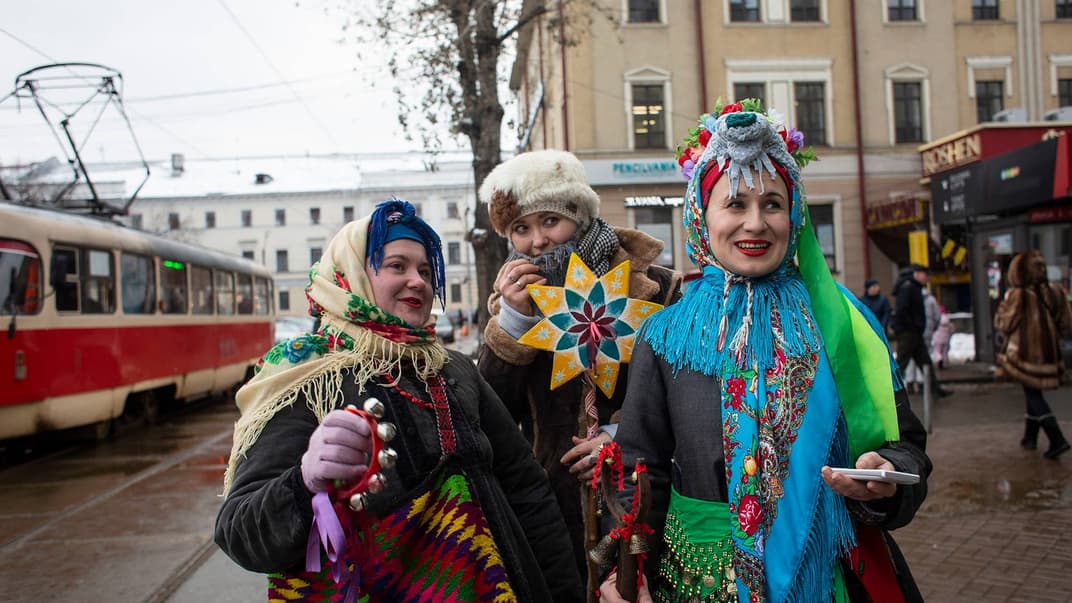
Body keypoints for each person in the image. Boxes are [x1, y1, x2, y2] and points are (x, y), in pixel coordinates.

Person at [598, 100, 931, 602]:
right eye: (734, 204)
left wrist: (887, 476)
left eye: (772, 204)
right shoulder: (663, 335)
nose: (755, 223)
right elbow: (639, 469)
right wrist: (630, 570)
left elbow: (907, 449)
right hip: (700, 582)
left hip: (827, 578)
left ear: (794, 215)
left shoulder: (842, 324)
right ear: (700, 216)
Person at [215, 200, 584, 602]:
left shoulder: (454, 369)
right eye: (397, 266)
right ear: (351, 275)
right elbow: (240, 533)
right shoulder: (307, 378)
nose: (418, 282)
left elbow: (528, 492)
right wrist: (303, 483)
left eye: (425, 271)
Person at [477, 149, 682, 581]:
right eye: (520, 229)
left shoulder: (655, 287)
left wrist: (622, 434)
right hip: (552, 505)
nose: (537, 241)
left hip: (639, 494)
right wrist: (514, 324)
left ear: (582, 215)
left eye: (550, 220)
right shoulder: (514, 302)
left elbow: (681, 392)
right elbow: (492, 410)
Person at [994, 249, 1071, 459]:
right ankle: (1030, 438)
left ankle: (1057, 439)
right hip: (1049, 353)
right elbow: (1065, 321)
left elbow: (1004, 323)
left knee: (1032, 393)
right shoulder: (1053, 291)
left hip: (1025, 354)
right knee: (1032, 391)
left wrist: (1003, 305)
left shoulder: (1018, 294)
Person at [892, 264, 951, 397]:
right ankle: (889, 392)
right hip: (909, 332)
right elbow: (903, 310)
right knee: (901, 363)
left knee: (925, 362)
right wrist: (913, 326)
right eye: (926, 275)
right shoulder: (909, 287)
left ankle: (935, 389)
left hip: (914, 332)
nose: (927, 278)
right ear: (917, 274)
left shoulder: (912, 287)